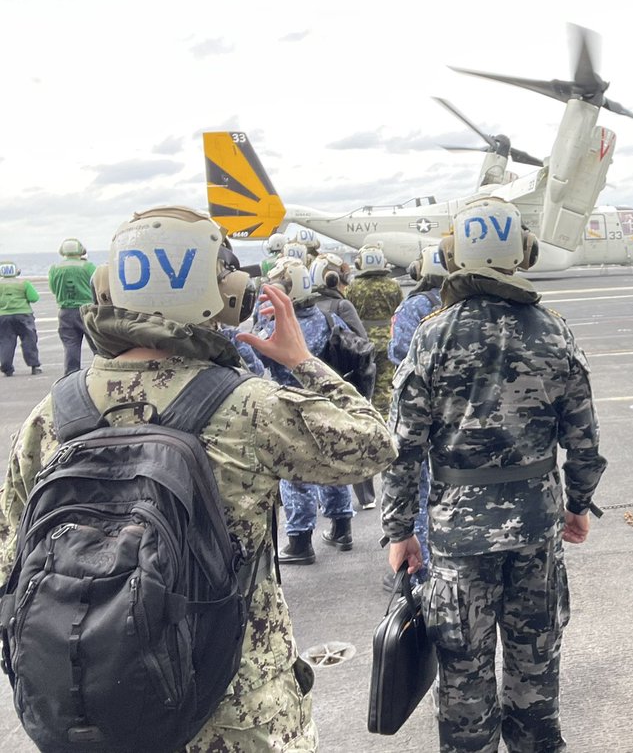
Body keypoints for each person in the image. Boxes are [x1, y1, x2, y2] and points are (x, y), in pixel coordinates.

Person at [0, 205, 396, 751]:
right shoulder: (248, 405)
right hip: (237, 706)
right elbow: (375, 445)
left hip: (103, 708)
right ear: (223, 292)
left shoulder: (52, 414)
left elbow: (9, 560)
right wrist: (302, 359)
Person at [383, 197, 606, 753]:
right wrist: (577, 504)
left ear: (455, 255)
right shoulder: (553, 332)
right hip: (536, 531)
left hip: (458, 540)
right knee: (536, 672)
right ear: (521, 253)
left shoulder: (431, 336)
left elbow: (402, 447)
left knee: (463, 676)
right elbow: (582, 436)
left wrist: (399, 530)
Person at [256, 258, 367, 562]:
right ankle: (341, 527)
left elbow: (255, 363)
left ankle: (300, 541)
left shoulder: (277, 323)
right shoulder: (326, 316)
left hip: (291, 405)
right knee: (333, 462)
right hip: (328, 403)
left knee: (296, 475)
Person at [381, 244, 448, 590]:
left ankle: (418, 571)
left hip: (421, 413)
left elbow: (398, 353)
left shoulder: (415, 306)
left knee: (419, 491)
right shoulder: (461, 303)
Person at [344, 244, 405, 508]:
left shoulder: (353, 289)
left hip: (364, 344)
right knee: (386, 391)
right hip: (387, 340)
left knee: (363, 393)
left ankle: (372, 429)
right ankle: (389, 427)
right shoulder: (393, 286)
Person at [47, 237, 97, 375]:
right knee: (97, 345)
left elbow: (53, 288)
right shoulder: (88, 266)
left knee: (71, 346)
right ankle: (101, 372)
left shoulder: (54, 269)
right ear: (80, 251)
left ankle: (71, 374)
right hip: (87, 310)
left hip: (65, 311)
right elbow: (98, 285)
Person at [0, 262, 42, 377]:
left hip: (3, 316)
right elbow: (34, 298)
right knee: (29, 340)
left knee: (5, 341)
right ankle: (34, 366)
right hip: (23, 315)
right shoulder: (24, 283)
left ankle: (7, 368)